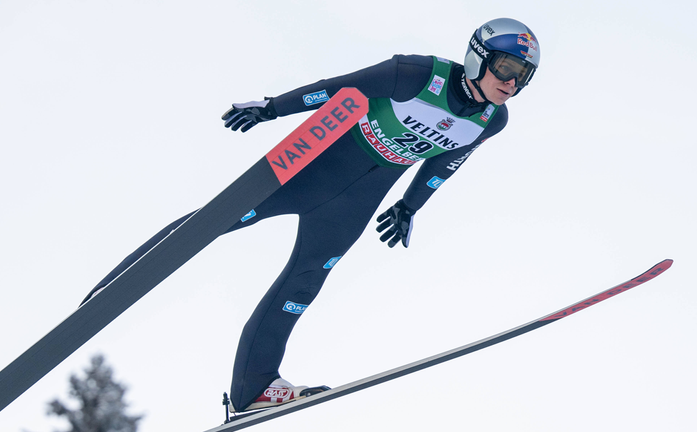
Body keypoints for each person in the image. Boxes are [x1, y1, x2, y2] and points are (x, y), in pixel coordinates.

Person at [81, 17, 540, 413]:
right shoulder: (417, 73)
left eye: (524, 76)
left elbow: (445, 162)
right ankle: (112, 289)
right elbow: (336, 90)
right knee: (212, 223)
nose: (512, 83)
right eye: (506, 68)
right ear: (480, 57)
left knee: (305, 282)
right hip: (309, 170)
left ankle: (255, 388)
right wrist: (271, 108)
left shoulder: (490, 122)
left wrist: (408, 206)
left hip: (355, 202)